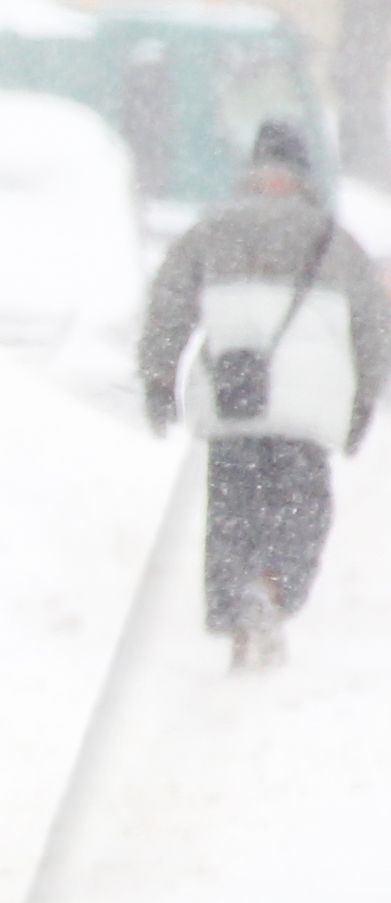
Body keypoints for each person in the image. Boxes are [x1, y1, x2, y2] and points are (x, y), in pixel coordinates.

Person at [135, 119, 387, 672]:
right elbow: (374, 328)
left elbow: (168, 305)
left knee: (234, 512)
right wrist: (365, 400)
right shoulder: (336, 242)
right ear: (303, 174)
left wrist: (159, 380)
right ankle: (272, 590)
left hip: (236, 403)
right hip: (307, 411)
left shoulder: (211, 231)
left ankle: (239, 616)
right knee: (299, 514)